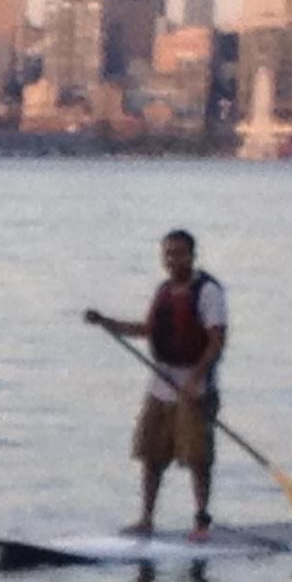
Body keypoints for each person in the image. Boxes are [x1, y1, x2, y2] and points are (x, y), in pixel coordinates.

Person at [84, 228, 226, 539]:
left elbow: (216, 342)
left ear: (192, 255)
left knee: (197, 457)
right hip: (161, 384)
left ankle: (201, 522)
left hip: (195, 388)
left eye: (179, 253)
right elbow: (148, 329)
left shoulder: (208, 291)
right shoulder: (163, 290)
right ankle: (146, 519)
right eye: (168, 254)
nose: (172, 260)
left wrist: (195, 379)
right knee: (151, 454)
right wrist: (107, 322)